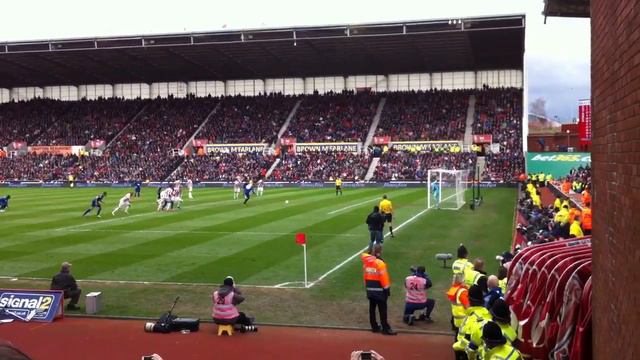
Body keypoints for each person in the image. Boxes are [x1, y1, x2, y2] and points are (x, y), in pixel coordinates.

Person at [361, 245, 396, 335]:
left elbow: (365, 276)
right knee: (382, 309)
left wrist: (367, 288)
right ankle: (385, 328)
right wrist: (387, 289)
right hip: (380, 290)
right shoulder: (380, 263)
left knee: (372, 308)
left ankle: (374, 327)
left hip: (370, 289)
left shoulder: (366, 263)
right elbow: (384, 278)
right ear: (380, 251)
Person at [453, 285, 491, 360]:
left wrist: (455, 346)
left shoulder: (470, 319)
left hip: (468, 354)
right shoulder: (488, 314)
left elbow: (466, 342)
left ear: (469, 300)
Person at [446, 273, 469, 338]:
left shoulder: (453, 289)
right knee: (463, 337)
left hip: (457, 318)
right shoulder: (463, 292)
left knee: (458, 334)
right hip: (464, 318)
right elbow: (467, 307)